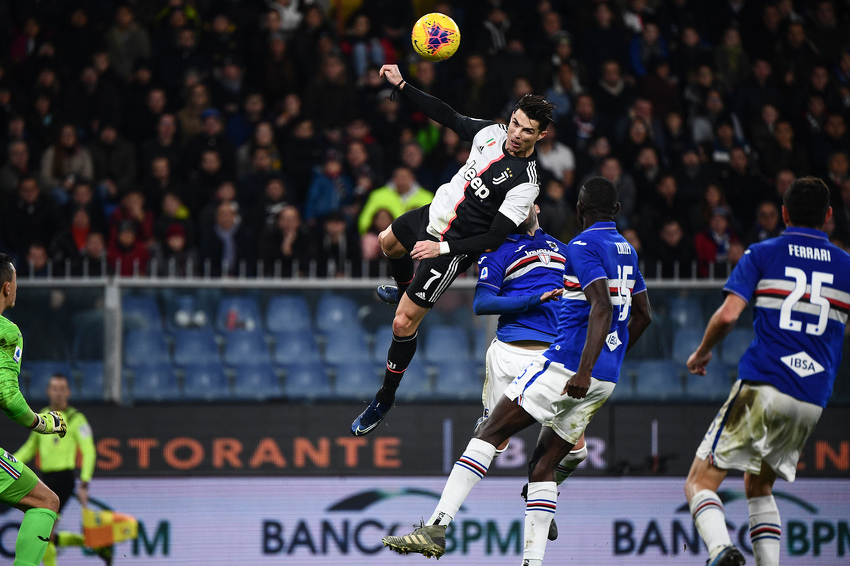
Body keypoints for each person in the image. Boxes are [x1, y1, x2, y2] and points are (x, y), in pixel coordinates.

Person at [382, 178, 652, 564]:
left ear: (551, 208)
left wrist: (586, 364)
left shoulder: (572, 247)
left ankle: (440, 527)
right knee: (528, 456)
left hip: (563, 361)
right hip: (546, 360)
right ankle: (524, 549)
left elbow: (601, 309)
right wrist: (602, 354)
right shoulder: (615, 250)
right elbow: (483, 302)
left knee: (519, 441)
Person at [350, 64, 555, 436]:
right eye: (515, 123)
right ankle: (403, 286)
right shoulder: (491, 133)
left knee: (402, 322)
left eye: (527, 130)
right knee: (386, 242)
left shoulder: (526, 184)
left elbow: (492, 239)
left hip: (451, 248)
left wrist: (440, 247)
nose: (516, 134)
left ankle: (385, 397)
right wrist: (403, 85)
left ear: (541, 135)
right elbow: (447, 115)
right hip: (434, 214)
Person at [684, 176, 850, 566]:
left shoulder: (763, 253)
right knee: (759, 485)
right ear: (828, 217)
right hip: (812, 398)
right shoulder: (846, 267)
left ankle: (721, 550)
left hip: (764, 384)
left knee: (699, 482)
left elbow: (728, 314)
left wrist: (703, 351)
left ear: (784, 214)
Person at [473, 203, 588, 543]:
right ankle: (442, 516)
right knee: (493, 442)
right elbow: (482, 304)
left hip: (554, 358)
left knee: (578, 451)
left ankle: (539, 490)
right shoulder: (497, 249)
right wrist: (532, 299)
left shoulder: (562, 249)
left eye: (523, 200)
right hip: (512, 352)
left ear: (535, 205)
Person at [0, 252, 67, 566]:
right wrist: (44, 423)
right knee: (45, 501)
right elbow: (9, 399)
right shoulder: (8, 332)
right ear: (6, 288)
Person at [15, 373, 111, 566]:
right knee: (45, 533)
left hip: (64, 480)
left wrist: (84, 483)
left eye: (62, 389)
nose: (58, 393)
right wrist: (10, 463)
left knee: (44, 532)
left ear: (68, 392)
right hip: (45, 480)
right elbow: (30, 447)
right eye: (54, 388)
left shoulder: (76, 419)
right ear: (48, 391)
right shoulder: (42, 417)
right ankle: (96, 545)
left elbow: (89, 451)